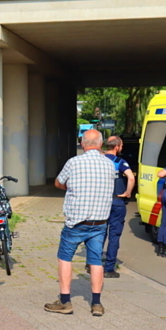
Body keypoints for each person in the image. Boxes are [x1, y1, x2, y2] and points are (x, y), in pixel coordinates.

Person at [45, 128, 116, 317]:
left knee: (65, 257)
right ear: (100, 144)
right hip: (99, 222)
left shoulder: (73, 162)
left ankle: (66, 301)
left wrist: (72, 186)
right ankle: (96, 304)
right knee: (95, 261)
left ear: (82, 144)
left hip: (76, 222)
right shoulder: (110, 165)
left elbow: (59, 183)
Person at [99, 136, 134, 278]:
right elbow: (131, 177)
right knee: (114, 236)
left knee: (99, 234)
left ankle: (92, 264)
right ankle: (109, 268)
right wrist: (127, 193)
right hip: (117, 202)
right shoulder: (120, 162)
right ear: (117, 146)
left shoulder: (99, 161)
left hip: (101, 202)